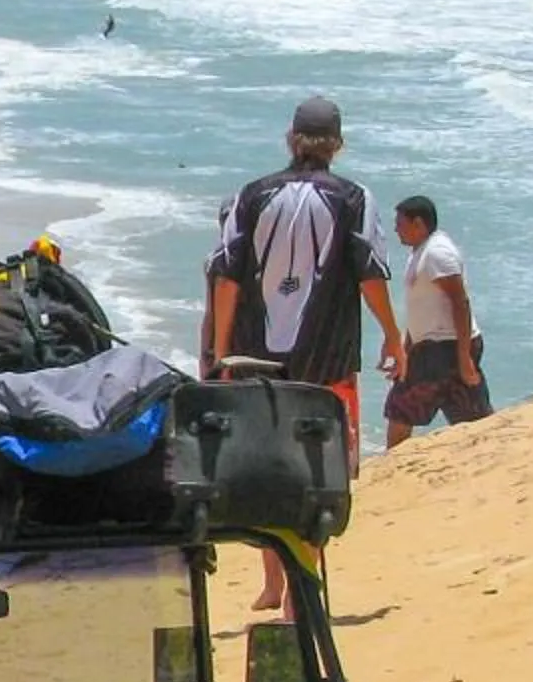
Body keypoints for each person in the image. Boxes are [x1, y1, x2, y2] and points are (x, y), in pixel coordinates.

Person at [205, 95, 402, 612]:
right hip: (327, 365)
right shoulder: (354, 198)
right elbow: (370, 275)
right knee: (317, 478)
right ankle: (300, 595)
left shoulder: (250, 195)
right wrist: (393, 335)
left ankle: (273, 584)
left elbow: (226, 276)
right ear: (337, 145)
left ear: (291, 140)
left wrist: (222, 351)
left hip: (255, 361)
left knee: (266, 470)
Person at [383, 194, 492, 446]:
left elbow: (460, 302)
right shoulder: (422, 252)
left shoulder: (437, 254)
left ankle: (391, 462)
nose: (396, 230)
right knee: (470, 416)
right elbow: (423, 308)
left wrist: (463, 356)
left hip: (444, 348)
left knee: (401, 409)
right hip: (434, 346)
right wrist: (405, 350)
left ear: (418, 224)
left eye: (400, 224)